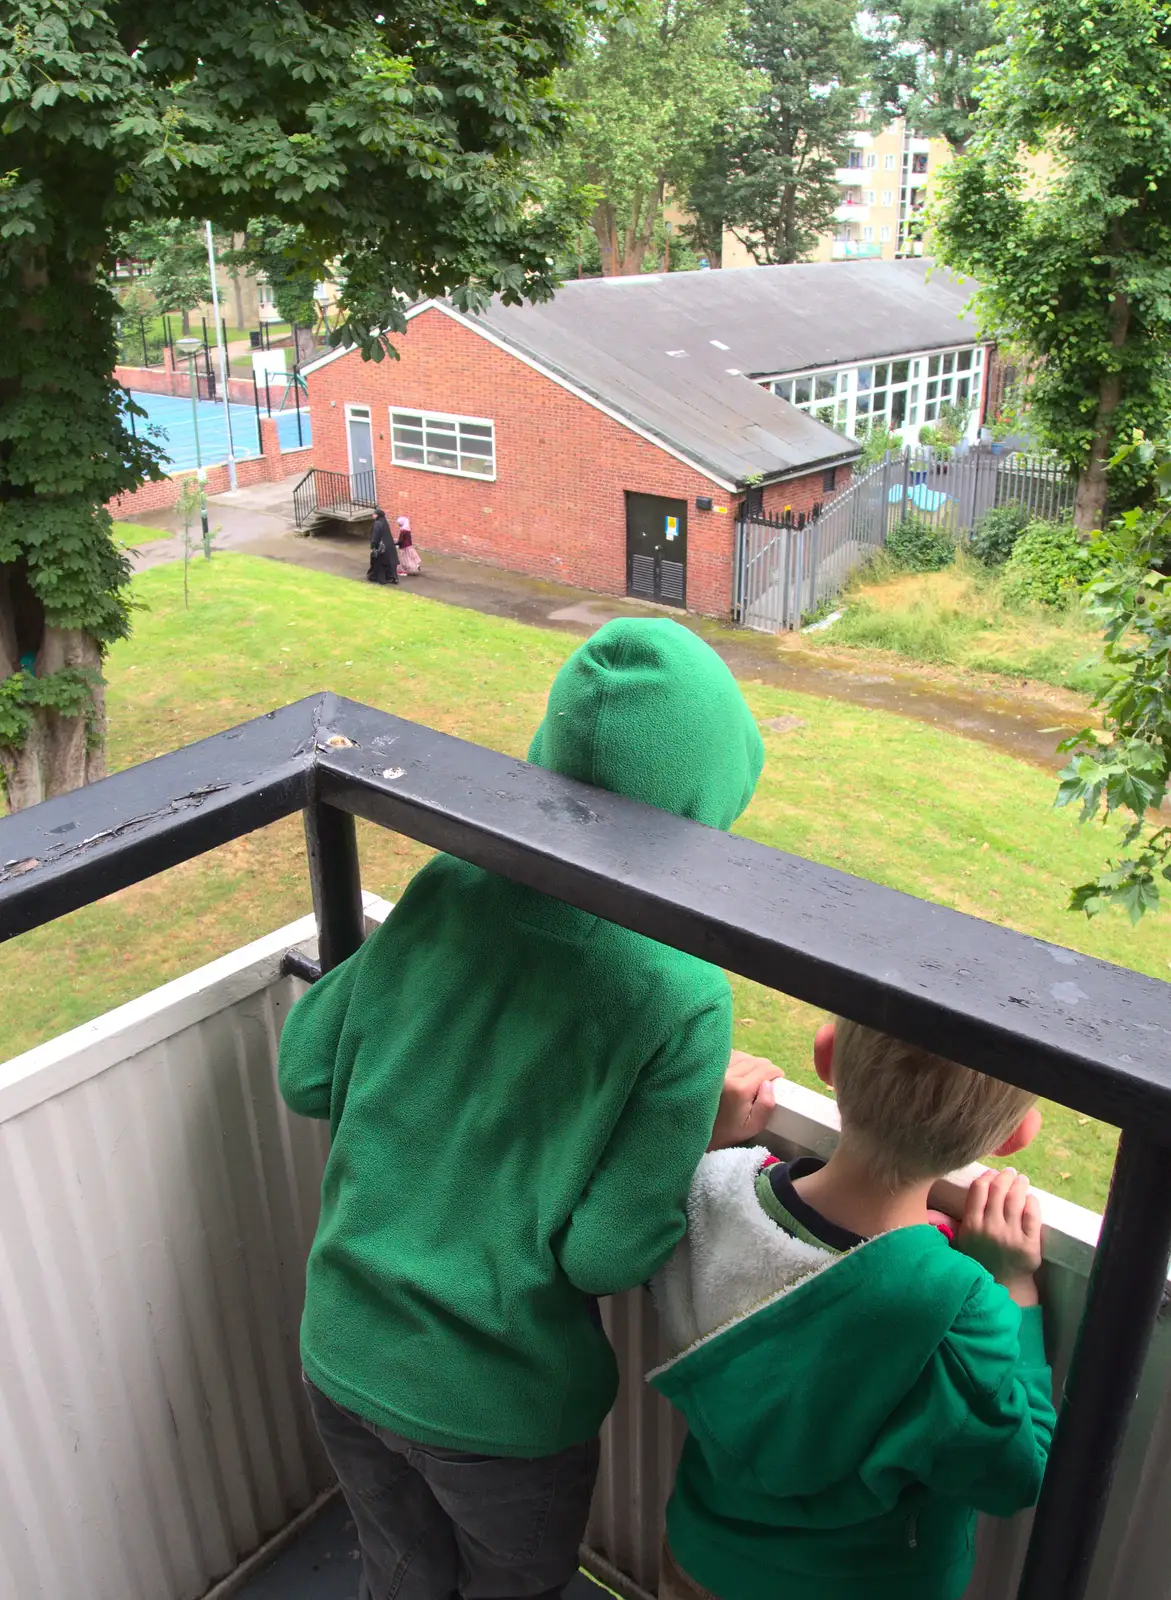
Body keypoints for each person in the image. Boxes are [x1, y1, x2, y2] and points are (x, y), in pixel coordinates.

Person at [277, 618, 777, 1600]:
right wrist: (688, 1135)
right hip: (499, 1414)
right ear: (704, 799)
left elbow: (305, 1068)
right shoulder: (678, 990)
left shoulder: (449, 887)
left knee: (399, 1577)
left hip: (341, 1351)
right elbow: (602, 1253)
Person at [650, 1017, 1056, 1600]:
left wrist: (703, 1138)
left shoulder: (710, 1192)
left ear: (827, 1056)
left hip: (701, 1562)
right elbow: (1022, 1468)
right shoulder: (958, 1314)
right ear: (1014, 1134)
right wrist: (1013, 1284)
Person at [367, 508, 398, 585]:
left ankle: (380, 579)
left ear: (378, 515)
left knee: (379, 563)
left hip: (381, 548)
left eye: (375, 514)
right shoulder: (384, 522)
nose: (373, 515)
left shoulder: (377, 523)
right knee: (388, 563)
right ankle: (392, 577)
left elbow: (375, 536)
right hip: (389, 546)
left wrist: (372, 547)